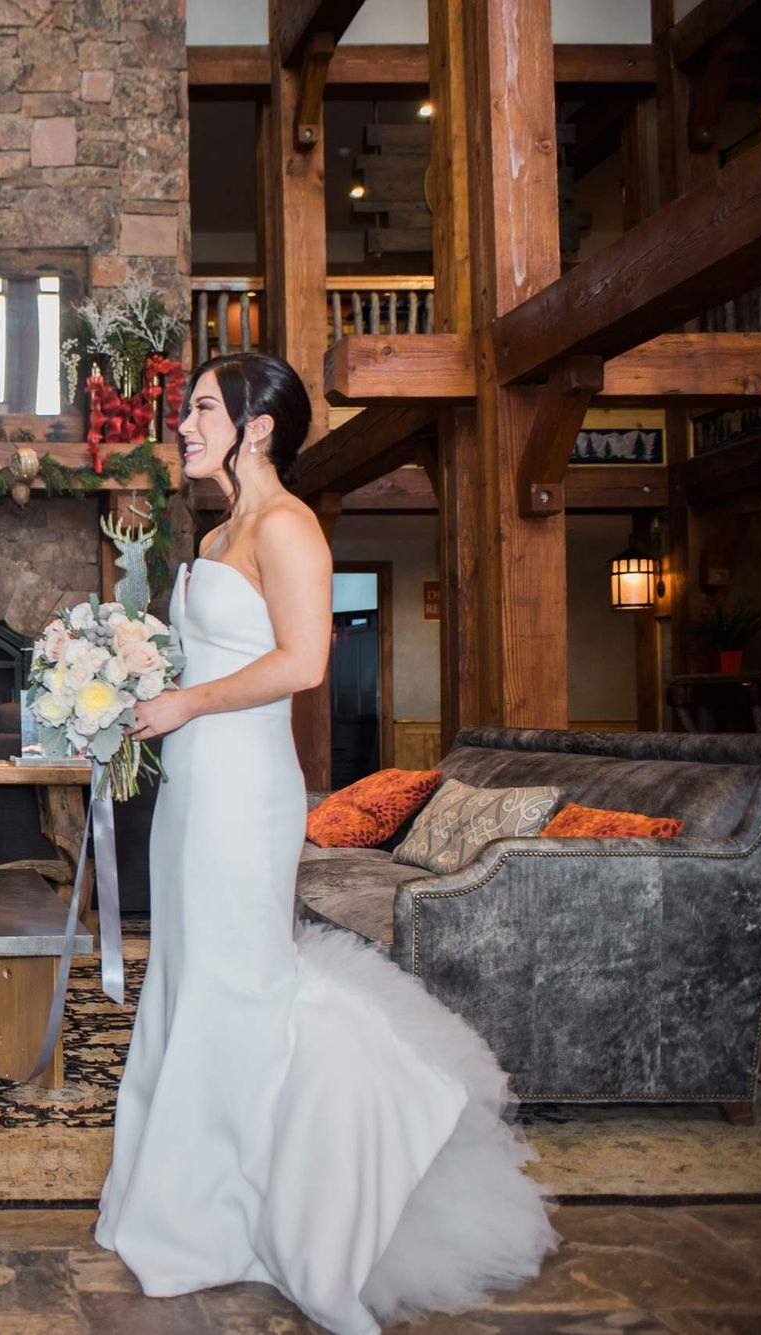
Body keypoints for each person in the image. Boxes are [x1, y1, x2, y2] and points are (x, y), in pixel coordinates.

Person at [97, 352, 557, 1334]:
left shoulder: (286, 525)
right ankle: (186, 1209)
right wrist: (120, 688)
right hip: (191, 786)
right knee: (188, 978)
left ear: (256, 427)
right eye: (186, 411)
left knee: (236, 980)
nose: (182, 425)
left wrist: (181, 700)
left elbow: (302, 662)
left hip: (242, 789)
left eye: (202, 410)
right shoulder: (218, 528)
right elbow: (209, 656)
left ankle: (296, 1205)